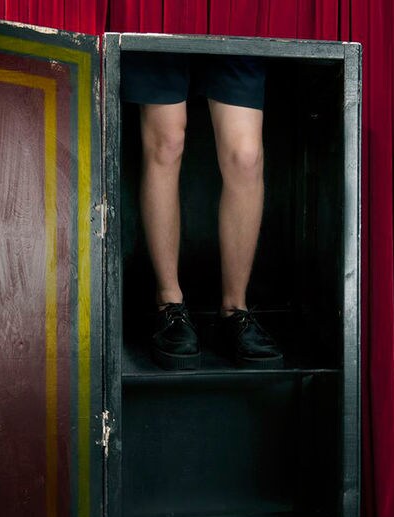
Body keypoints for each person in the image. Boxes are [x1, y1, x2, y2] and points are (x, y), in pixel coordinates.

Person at [121, 51, 284, 370]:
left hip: (230, 28)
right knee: (166, 142)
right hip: (163, 27)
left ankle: (235, 310)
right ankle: (169, 303)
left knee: (246, 156)